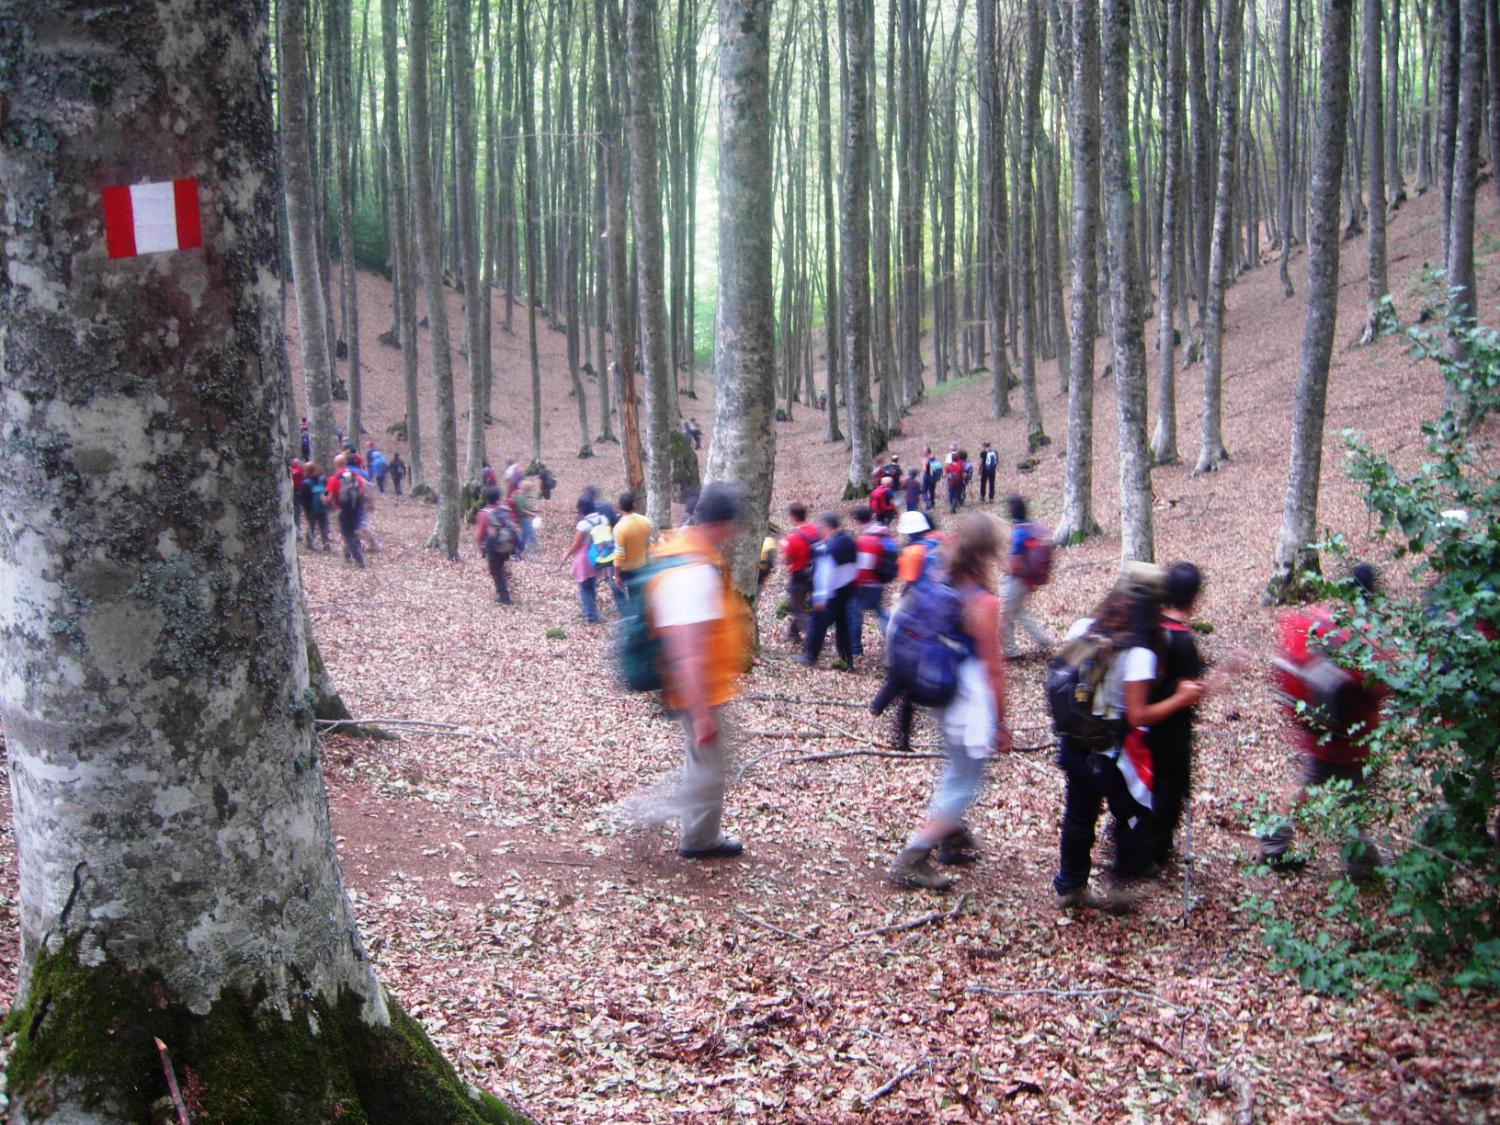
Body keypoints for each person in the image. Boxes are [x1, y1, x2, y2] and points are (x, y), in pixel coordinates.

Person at [1051, 565, 1204, 908]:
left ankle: (1070, 885)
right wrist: (1181, 699)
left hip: (1075, 739)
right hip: (1110, 751)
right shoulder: (1139, 653)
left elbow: (1063, 677)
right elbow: (1137, 715)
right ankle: (1123, 883)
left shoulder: (1084, 628)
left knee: (1079, 813)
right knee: (1135, 812)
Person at [617, 483, 752, 859]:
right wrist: (701, 711)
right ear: (723, 524)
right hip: (699, 689)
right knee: (709, 770)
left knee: (708, 765)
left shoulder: (684, 550)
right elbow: (685, 651)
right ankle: (647, 813)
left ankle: (700, 835)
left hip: (704, 686)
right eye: (733, 526)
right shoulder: (692, 568)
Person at [889, 513, 1011, 890]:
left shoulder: (940, 576)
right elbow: (992, 668)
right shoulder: (983, 601)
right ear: (990, 552)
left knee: (957, 765)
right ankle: (914, 855)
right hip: (967, 696)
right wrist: (1002, 722)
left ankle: (953, 836)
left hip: (937, 687)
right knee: (963, 779)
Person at [1260, 564, 1388, 878]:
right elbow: (1379, 683)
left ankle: (1272, 845)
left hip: (1315, 729)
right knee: (1354, 800)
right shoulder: (1361, 634)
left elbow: (1287, 653)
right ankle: (1362, 866)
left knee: (1305, 783)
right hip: (1351, 739)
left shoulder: (1315, 617)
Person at [797, 513, 858, 668]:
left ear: (828, 527)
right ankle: (846, 660)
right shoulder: (850, 542)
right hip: (847, 590)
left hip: (830, 594)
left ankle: (810, 656)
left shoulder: (829, 549)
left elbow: (824, 574)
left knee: (818, 624)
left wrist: (820, 598)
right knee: (843, 627)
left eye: (821, 528)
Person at [1000, 495, 1053, 660]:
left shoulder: (1019, 533)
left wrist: (1005, 567)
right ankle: (1044, 639)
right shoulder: (1032, 527)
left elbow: (1014, 564)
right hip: (1028, 579)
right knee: (1018, 611)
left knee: (1004, 615)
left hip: (1016, 580)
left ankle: (1011, 652)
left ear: (1011, 511)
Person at [851, 505, 896, 661]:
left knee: (855, 613)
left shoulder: (867, 538)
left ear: (858, 521)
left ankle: (855, 648)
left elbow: (865, 564)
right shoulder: (881, 532)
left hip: (865, 583)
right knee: (879, 611)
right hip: (879, 581)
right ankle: (893, 640)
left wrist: (856, 582)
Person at [562, 494, 611, 623]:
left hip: (585, 555)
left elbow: (577, 544)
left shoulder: (583, 524)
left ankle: (590, 615)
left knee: (584, 586)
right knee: (592, 583)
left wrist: (567, 555)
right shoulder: (603, 519)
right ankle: (591, 611)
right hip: (600, 553)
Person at [781, 503, 819, 646]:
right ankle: (793, 632)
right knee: (803, 606)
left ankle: (813, 635)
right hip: (816, 573)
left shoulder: (793, 537)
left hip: (799, 575)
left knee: (796, 607)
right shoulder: (816, 530)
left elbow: (788, 559)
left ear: (792, 517)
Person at [611, 491, 653, 610]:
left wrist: (616, 575)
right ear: (634, 505)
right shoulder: (646, 522)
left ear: (620, 507)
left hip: (626, 568)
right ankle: (639, 613)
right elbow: (648, 543)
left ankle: (627, 613)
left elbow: (619, 554)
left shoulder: (619, 528)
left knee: (614, 586)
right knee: (637, 593)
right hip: (642, 563)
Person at [474, 487, 515, 605]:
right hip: (508, 544)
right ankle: (506, 587)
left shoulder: (484, 514)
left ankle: (504, 596)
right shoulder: (505, 510)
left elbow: (478, 535)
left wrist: (481, 549)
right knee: (500, 567)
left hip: (494, 546)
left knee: (495, 571)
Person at [330, 454, 366, 569]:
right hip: (355, 508)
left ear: (336, 464)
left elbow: (329, 495)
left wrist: (324, 497)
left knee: (347, 534)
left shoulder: (334, 479)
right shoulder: (355, 476)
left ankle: (359, 560)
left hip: (342, 510)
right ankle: (347, 554)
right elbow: (363, 489)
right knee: (352, 532)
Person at [300, 460, 330, 550]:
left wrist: (306, 510)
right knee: (324, 525)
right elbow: (328, 490)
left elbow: (304, 498)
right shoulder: (322, 479)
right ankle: (326, 542)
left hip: (311, 509)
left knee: (311, 525)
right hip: (323, 507)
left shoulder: (306, 483)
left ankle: (310, 542)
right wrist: (325, 499)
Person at [511, 477, 540, 557]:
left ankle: (517, 552)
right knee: (532, 536)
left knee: (524, 536)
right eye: (530, 489)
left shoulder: (522, 496)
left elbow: (526, 506)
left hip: (524, 518)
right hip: (523, 519)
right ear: (527, 489)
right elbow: (522, 509)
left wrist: (532, 510)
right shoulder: (520, 497)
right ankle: (533, 555)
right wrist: (532, 514)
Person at [290, 458, 305, 537]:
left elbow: (295, 473)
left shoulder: (298, 470)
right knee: (296, 512)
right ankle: (297, 531)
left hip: (296, 493)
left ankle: (298, 532)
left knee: (296, 512)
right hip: (296, 493)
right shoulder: (300, 469)